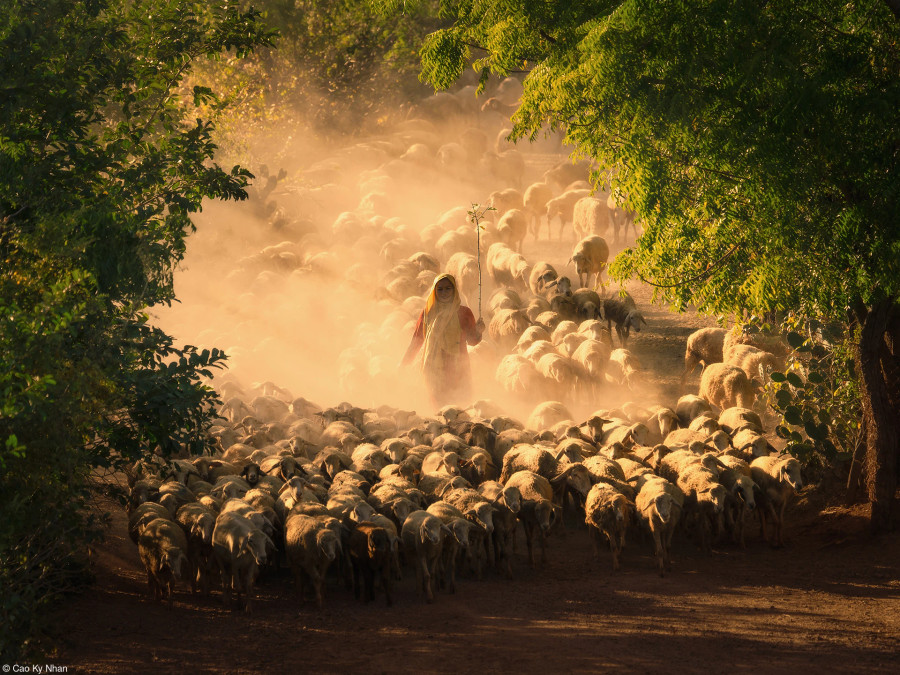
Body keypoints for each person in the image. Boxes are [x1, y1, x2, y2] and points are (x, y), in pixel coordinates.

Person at [400, 273, 485, 407]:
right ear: (434, 291)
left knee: (460, 407)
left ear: (454, 290)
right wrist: (404, 363)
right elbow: (417, 340)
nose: (444, 292)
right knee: (438, 408)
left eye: (448, 289)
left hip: (458, 367)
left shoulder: (464, 313)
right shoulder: (428, 313)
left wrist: (479, 331)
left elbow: (472, 341)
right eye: (440, 289)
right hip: (434, 369)